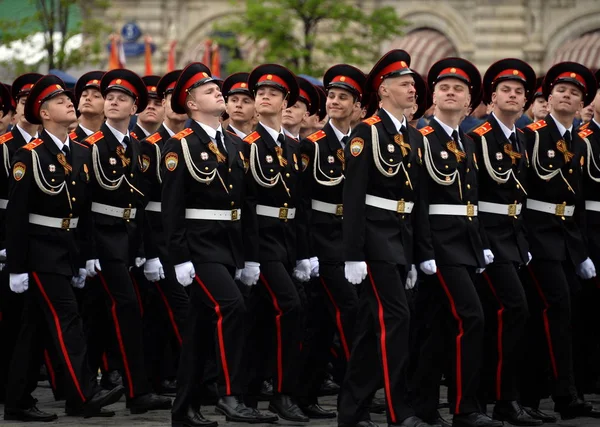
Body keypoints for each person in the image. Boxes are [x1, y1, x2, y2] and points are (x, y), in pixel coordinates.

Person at [3, 75, 125, 421]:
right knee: (67, 320)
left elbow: (82, 211)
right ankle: (84, 393)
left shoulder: (78, 152)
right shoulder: (29, 156)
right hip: (42, 253)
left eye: (68, 99)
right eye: (59, 102)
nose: (69, 103)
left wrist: (86, 256)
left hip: (67, 251)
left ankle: (17, 400)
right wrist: (16, 267)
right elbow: (16, 216)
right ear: (43, 113)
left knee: (35, 328)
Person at [338, 50, 432, 427]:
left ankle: (352, 410)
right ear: (384, 89)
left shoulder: (412, 135)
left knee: (371, 327)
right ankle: (398, 410)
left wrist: (417, 253)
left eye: (413, 84)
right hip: (374, 240)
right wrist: (353, 254)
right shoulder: (367, 131)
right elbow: (354, 197)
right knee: (396, 318)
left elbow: (416, 201)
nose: (413, 90)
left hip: (400, 239)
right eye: (406, 84)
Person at [411, 57, 502, 427]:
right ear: (433, 98)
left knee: (436, 327)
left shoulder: (464, 140)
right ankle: (466, 408)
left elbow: (471, 200)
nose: (451, 92)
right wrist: (423, 249)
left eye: (459, 89)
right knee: (472, 317)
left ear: (470, 103)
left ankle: (424, 406)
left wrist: (479, 243)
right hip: (438, 245)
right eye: (444, 87)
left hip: (463, 244)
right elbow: (416, 198)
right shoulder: (420, 137)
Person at [82, 68, 172, 414]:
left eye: (122, 98)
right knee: (119, 310)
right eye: (110, 97)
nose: (114, 102)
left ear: (134, 107)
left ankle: (121, 390)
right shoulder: (89, 147)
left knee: (108, 315)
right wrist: (87, 252)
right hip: (101, 241)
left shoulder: (139, 148)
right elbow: (84, 203)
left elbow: (143, 204)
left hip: (129, 241)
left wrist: (148, 254)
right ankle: (127, 391)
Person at [520, 61, 600, 420]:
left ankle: (542, 393)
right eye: (562, 91)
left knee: (561, 313)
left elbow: (578, 200)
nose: (568, 96)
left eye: (576, 93)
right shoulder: (531, 135)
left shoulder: (578, 142)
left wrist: (581, 250)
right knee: (556, 308)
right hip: (537, 235)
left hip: (567, 238)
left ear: (583, 103)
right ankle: (562, 393)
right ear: (549, 97)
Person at [467, 58, 541, 426]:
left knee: (510, 317)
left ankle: (498, 398)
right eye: (505, 91)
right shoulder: (478, 137)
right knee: (511, 310)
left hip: (512, 236)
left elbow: (521, 194)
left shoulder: (520, 138)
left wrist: (522, 238)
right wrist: (479, 241)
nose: (512, 96)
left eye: (519, 92)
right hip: (487, 237)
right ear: (491, 98)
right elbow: (472, 194)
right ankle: (495, 399)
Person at [242, 63, 312, 422]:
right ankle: (283, 393)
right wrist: (250, 256)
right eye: (260, 93)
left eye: (274, 93)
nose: (265, 97)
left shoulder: (292, 147)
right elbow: (247, 204)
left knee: (261, 319)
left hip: (285, 242)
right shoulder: (247, 146)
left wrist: (303, 254)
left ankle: (249, 392)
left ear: (286, 102)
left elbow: (299, 205)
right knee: (290, 306)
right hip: (261, 244)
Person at [297, 63, 365, 419]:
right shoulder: (314, 145)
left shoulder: (362, 142)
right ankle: (353, 396)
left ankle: (305, 394)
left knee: (322, 322)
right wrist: (307, 251)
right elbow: (303, 202)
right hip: (323, 240)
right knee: (349, 312)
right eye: (332, 96)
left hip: (352, 239)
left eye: (344, 97)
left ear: (358, 105)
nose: (335, 102)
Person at [138, 69, 190, 395]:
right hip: (159, 239)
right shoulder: (151, 146)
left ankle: (174, 373)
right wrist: (149, 251)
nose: (173, 103)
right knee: (173, 311)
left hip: (191, 237)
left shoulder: (202, 144)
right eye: (168, 97)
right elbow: (142, 204)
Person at [0, 73, 42, 403]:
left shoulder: (47, 147)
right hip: (8, 243)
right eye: (24, 101)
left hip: (39, 242)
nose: (29, 107)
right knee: (11, 322)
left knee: (32, 321)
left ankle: (21, 388)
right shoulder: (6, 146)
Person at [71, 71, 105, 142]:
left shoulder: (111, 142)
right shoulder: (69, 142)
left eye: (96, 96)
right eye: (84, 95)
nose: (88, 98)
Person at [222, 72, 256, 138]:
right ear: (226, 107)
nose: (239, 105)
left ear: (256, 109)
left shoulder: (258, 142)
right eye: (234, 100)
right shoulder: (221, 141)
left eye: (246, 101)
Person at [132, 75, 165, 139]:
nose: (151, 107)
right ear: (136, 107)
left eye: (157, 103)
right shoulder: (128, 143)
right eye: (146, 103)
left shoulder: (169, 144)